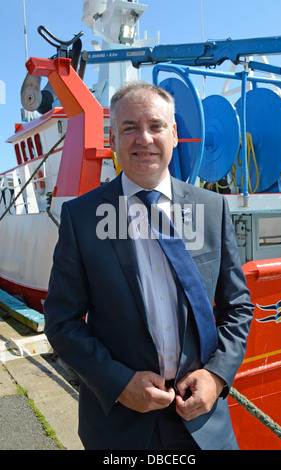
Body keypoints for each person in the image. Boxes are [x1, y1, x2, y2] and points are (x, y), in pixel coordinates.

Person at [44, 81, 254, 450]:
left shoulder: (212, 209)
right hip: (119, 427)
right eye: (129, 128)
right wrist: (119, 383)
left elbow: (237, 307)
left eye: (156, 126)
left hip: (203, 424)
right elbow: (61, 322)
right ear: (113, 138)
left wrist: (217, 377)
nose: (144, 138)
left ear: (173, 134)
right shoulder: (81, 218)